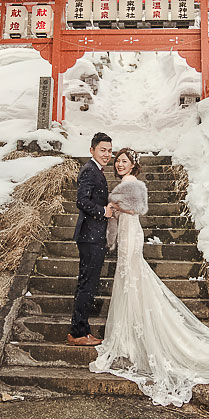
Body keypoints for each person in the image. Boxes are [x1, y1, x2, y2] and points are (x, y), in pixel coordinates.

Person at [90, 148, 209, 407]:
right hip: (127, 234)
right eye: (117, 162)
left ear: (133, 165)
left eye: (124, 161)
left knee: (132, 278)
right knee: (129, 281)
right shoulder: (126, 184)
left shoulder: (131, 183)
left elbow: (137, 209)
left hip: (130, 235)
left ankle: (133, 339)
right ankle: (129, 337)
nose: (119, 165)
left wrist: (113, 206)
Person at [68, 132, 114, 347]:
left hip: (93, 235)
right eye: (103, 150)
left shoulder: (97, 171)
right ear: (92, 150)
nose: (107, 154)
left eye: (110, 151)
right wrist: (103, 211)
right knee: (87, 284)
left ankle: (81, 330)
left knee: (88, 283)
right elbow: (81, 201)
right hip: (90, 236)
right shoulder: (89, 171)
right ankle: (78, 333)